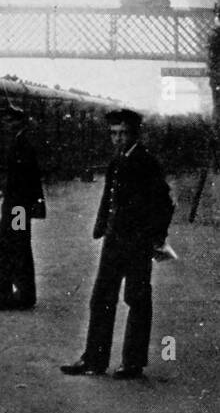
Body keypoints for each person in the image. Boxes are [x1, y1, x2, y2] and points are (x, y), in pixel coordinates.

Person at [61, 109, 174, 379]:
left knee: (136, 298)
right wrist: (101, 227)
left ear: (134, 133)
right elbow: (109, 198)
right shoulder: (116, 161)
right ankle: (94, 360)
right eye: (113, 134)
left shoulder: (146, 162)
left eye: (123, 133)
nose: (117, 139)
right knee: (101, 299)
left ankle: (132, 363)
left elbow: (165, 204)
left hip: (136, 244)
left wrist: (155, 238)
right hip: (114, 241)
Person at [0, 104, 45, 310]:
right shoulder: (20, 142)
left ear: (18, 122)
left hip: (18, 207)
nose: (6, 124)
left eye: (10, 121)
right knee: (16, 246)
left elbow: (26, 180)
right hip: (17, 206)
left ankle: (15, 296)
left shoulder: (21, 144)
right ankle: (20, 294)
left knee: (14, 246)